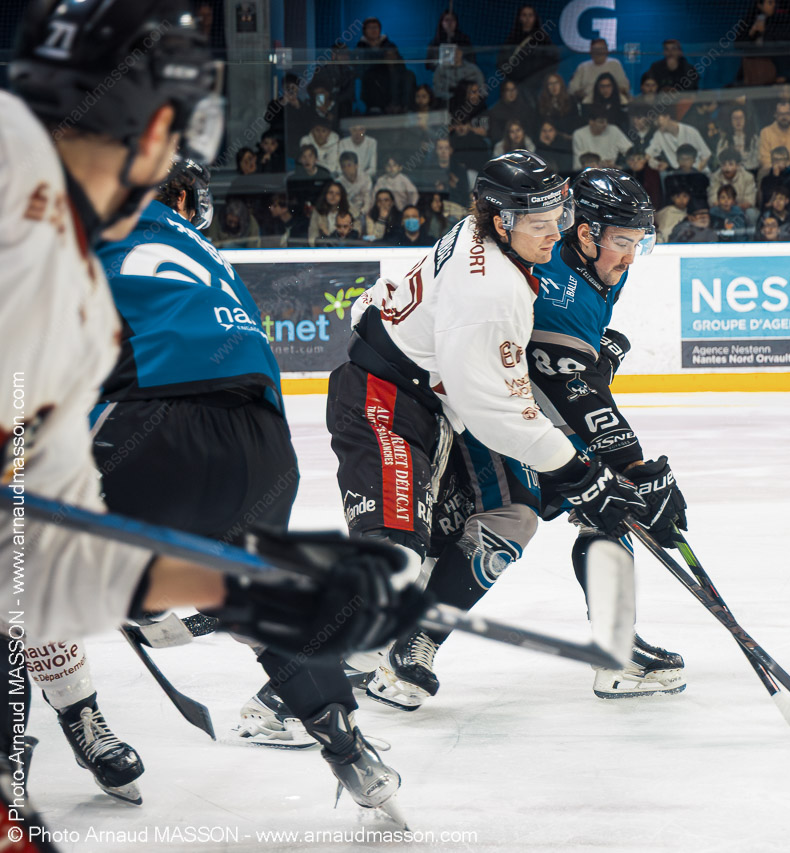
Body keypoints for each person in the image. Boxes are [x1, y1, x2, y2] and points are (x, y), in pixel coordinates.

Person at [2, 0, 422, 821]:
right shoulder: (191, 242)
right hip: (263, 450)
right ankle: (349, 748)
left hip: (154, 431)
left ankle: (23, 749)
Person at [326, 151, 655, 708]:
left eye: (559, 217)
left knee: (484, 526)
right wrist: (582, 471)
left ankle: (383, 653)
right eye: (540, 223)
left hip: (425, 403)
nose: (555, 234)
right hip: (389, 399)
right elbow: (497, 409)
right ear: (502, 221)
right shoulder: (495, 290)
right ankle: (295, 688)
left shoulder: (489, 239)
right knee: (402, 554)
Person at [527, 169, 688, 694]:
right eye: (622, 242)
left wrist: (598, 354)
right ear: (585, 232)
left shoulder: (597, 271)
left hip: (535, 413)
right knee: (482, 530)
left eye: (639, 243)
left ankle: (616, 650)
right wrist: (632, 462)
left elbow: (571, 371)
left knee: (603, 508)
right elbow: (572, 384)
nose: (630, 258)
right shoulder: (554, 284)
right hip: (499, 420)